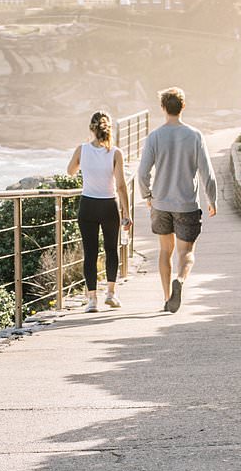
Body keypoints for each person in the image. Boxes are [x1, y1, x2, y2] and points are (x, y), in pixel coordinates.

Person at [137, 88, 217, 313]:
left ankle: (166, 298)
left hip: (161, 204)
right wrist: (212, 198)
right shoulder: (194, 136)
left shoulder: (154, 136)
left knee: (165, 251)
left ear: (163, 108)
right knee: (187, 253)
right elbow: (207, 173)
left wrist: (148, 196)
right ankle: (180, 281)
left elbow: (142, 173)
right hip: (186, 205)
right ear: (183, 107)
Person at [67, 111, 132, 312]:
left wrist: (85, 164)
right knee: (111, 250)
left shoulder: (82, 150)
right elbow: (121, 185)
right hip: (109, 205)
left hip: (88, 205)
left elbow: (70, 171)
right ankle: (111, 293)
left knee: (90, 253)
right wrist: (126, 214)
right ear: (109, 128)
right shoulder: (115, 153)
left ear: (91, 128)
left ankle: (92, 300)